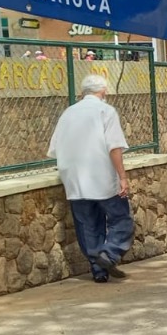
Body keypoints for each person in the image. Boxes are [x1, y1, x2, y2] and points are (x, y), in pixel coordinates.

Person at [47, 74, 133, 283]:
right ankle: (109, 254)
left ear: (83, 92)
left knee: (87, 226)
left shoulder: (68, 113)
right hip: (102, 176)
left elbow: (54, 149)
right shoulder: (106, 111)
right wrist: (122, 177)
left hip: (74, 180)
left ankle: (98, 270)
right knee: (121, 220)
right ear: (103, 92)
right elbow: (114, 147)